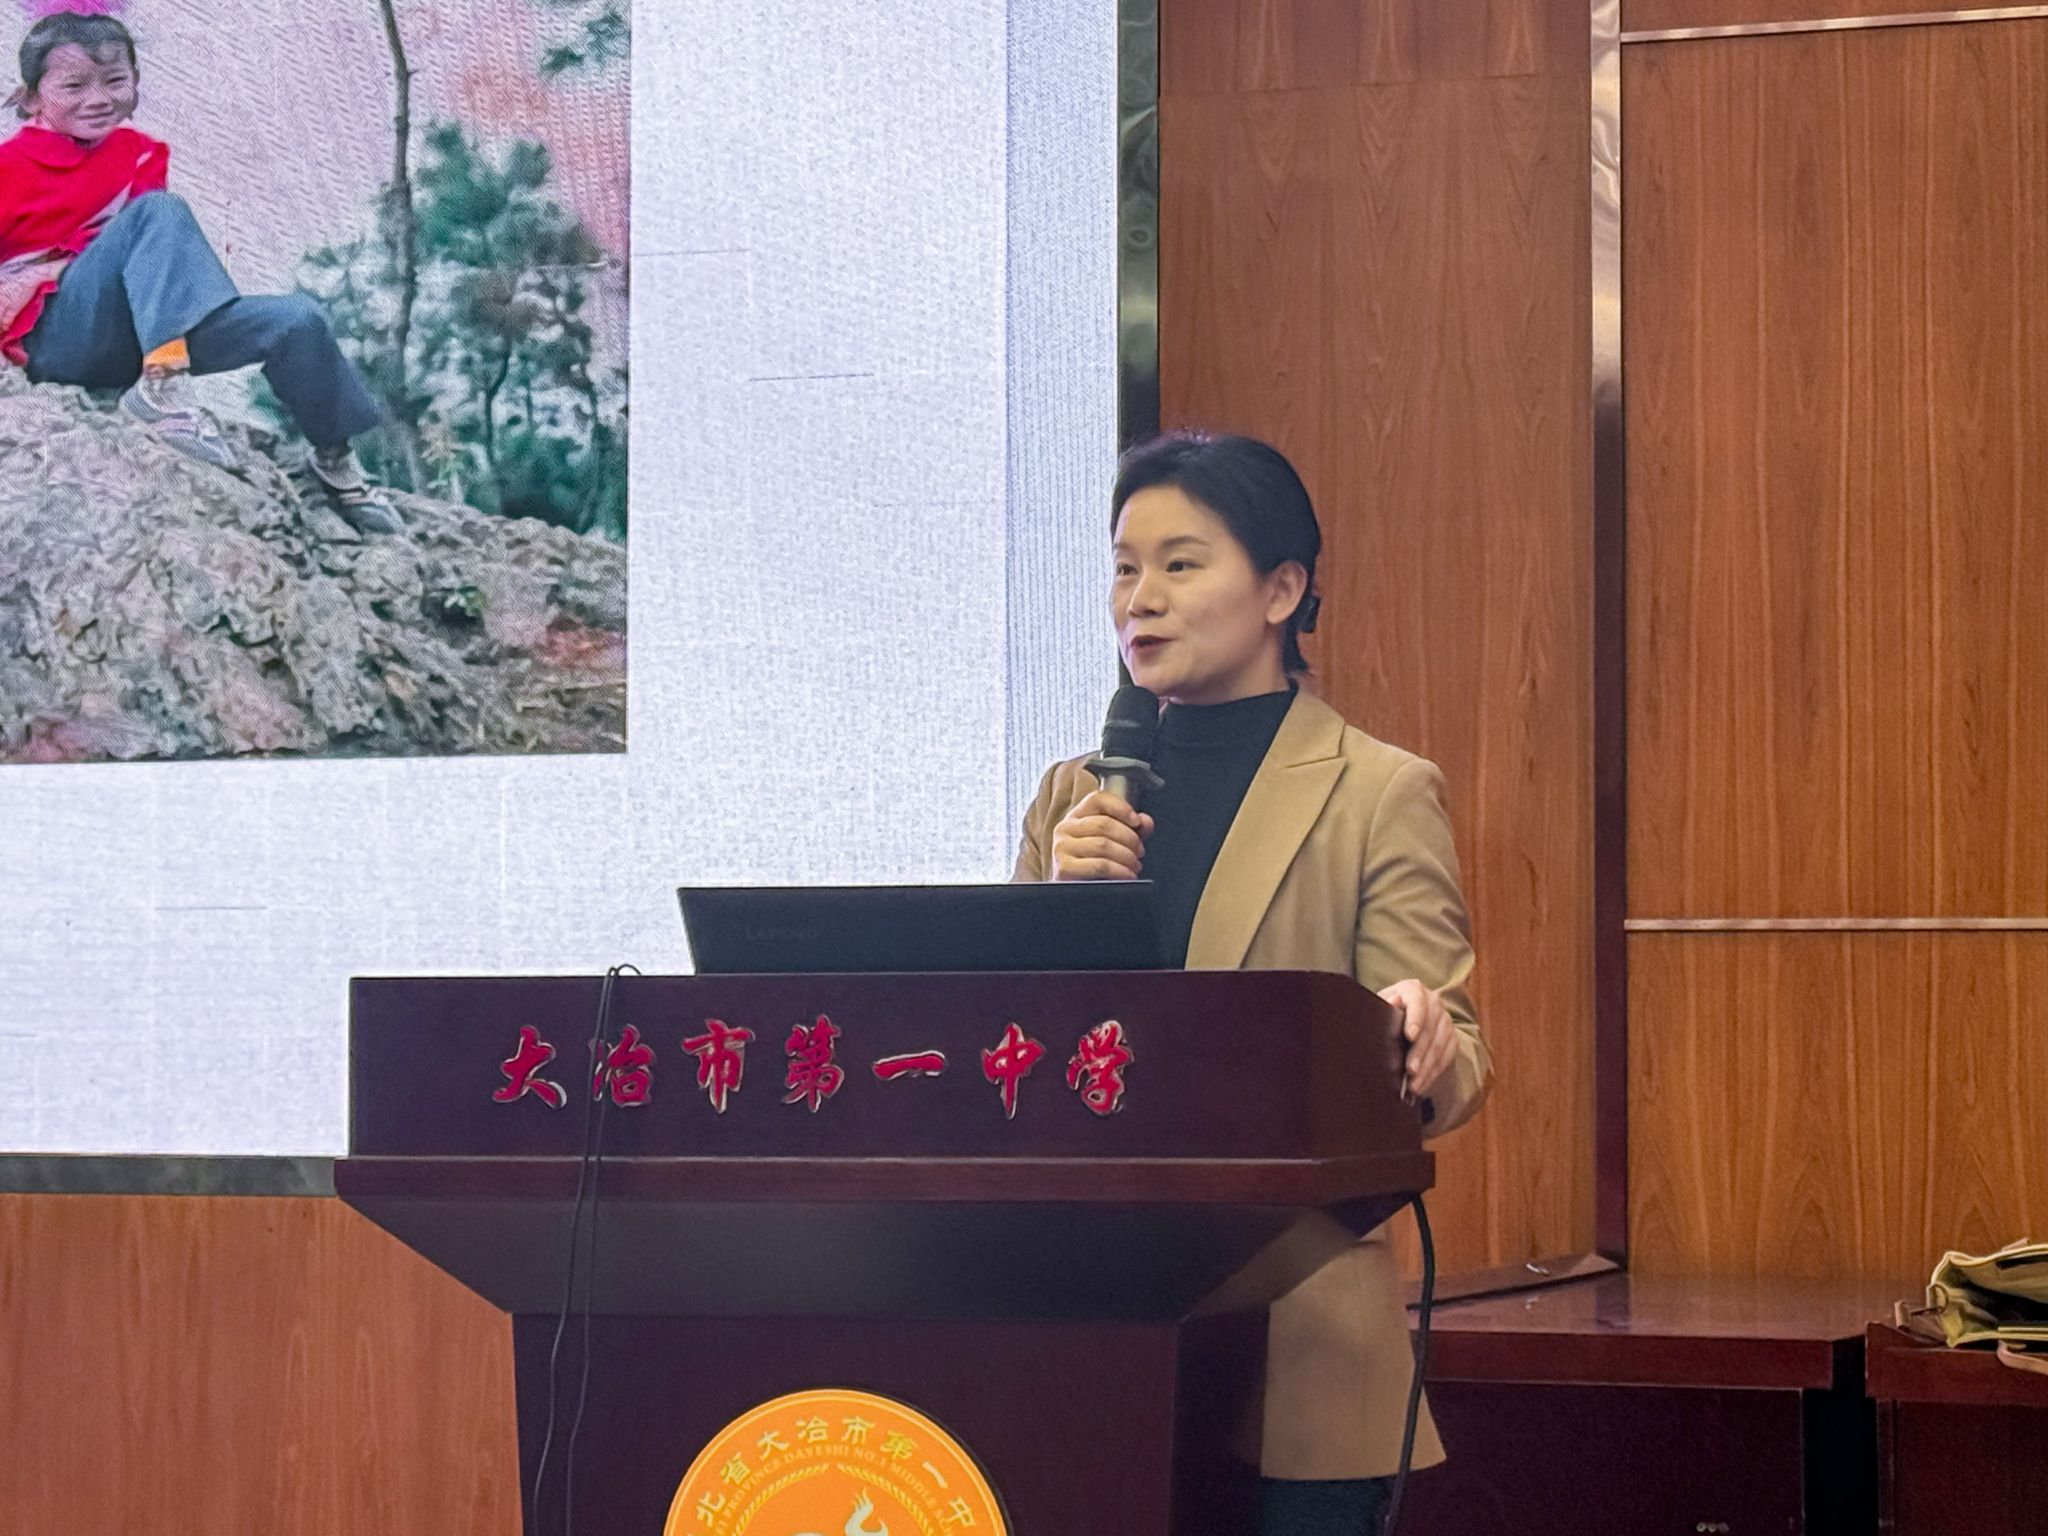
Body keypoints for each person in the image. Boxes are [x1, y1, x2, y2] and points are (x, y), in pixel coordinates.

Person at [1013, 431, 1492, 1535]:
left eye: (1180, 565)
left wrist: (1415, 1033)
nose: (1140, 598)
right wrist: (1059, 904)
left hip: (1296, 1353)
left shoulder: (1376, 791)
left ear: (1281, 590)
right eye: (1124, 568)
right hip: (1089, 1335)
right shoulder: (1071, 797)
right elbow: (1010, 1049)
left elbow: (1457, 1055)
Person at [0, 11, 401, 533]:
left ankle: (334, 460)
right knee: (158, 212)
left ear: (136, 82)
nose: (98, 99)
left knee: (295, 320)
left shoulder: (138, 154)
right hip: (54, 340)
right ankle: (163, 388)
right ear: (32, 98)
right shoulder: (9, 167)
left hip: (135, 337)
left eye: (115, 81)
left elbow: (150, 263)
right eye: (74, 86)